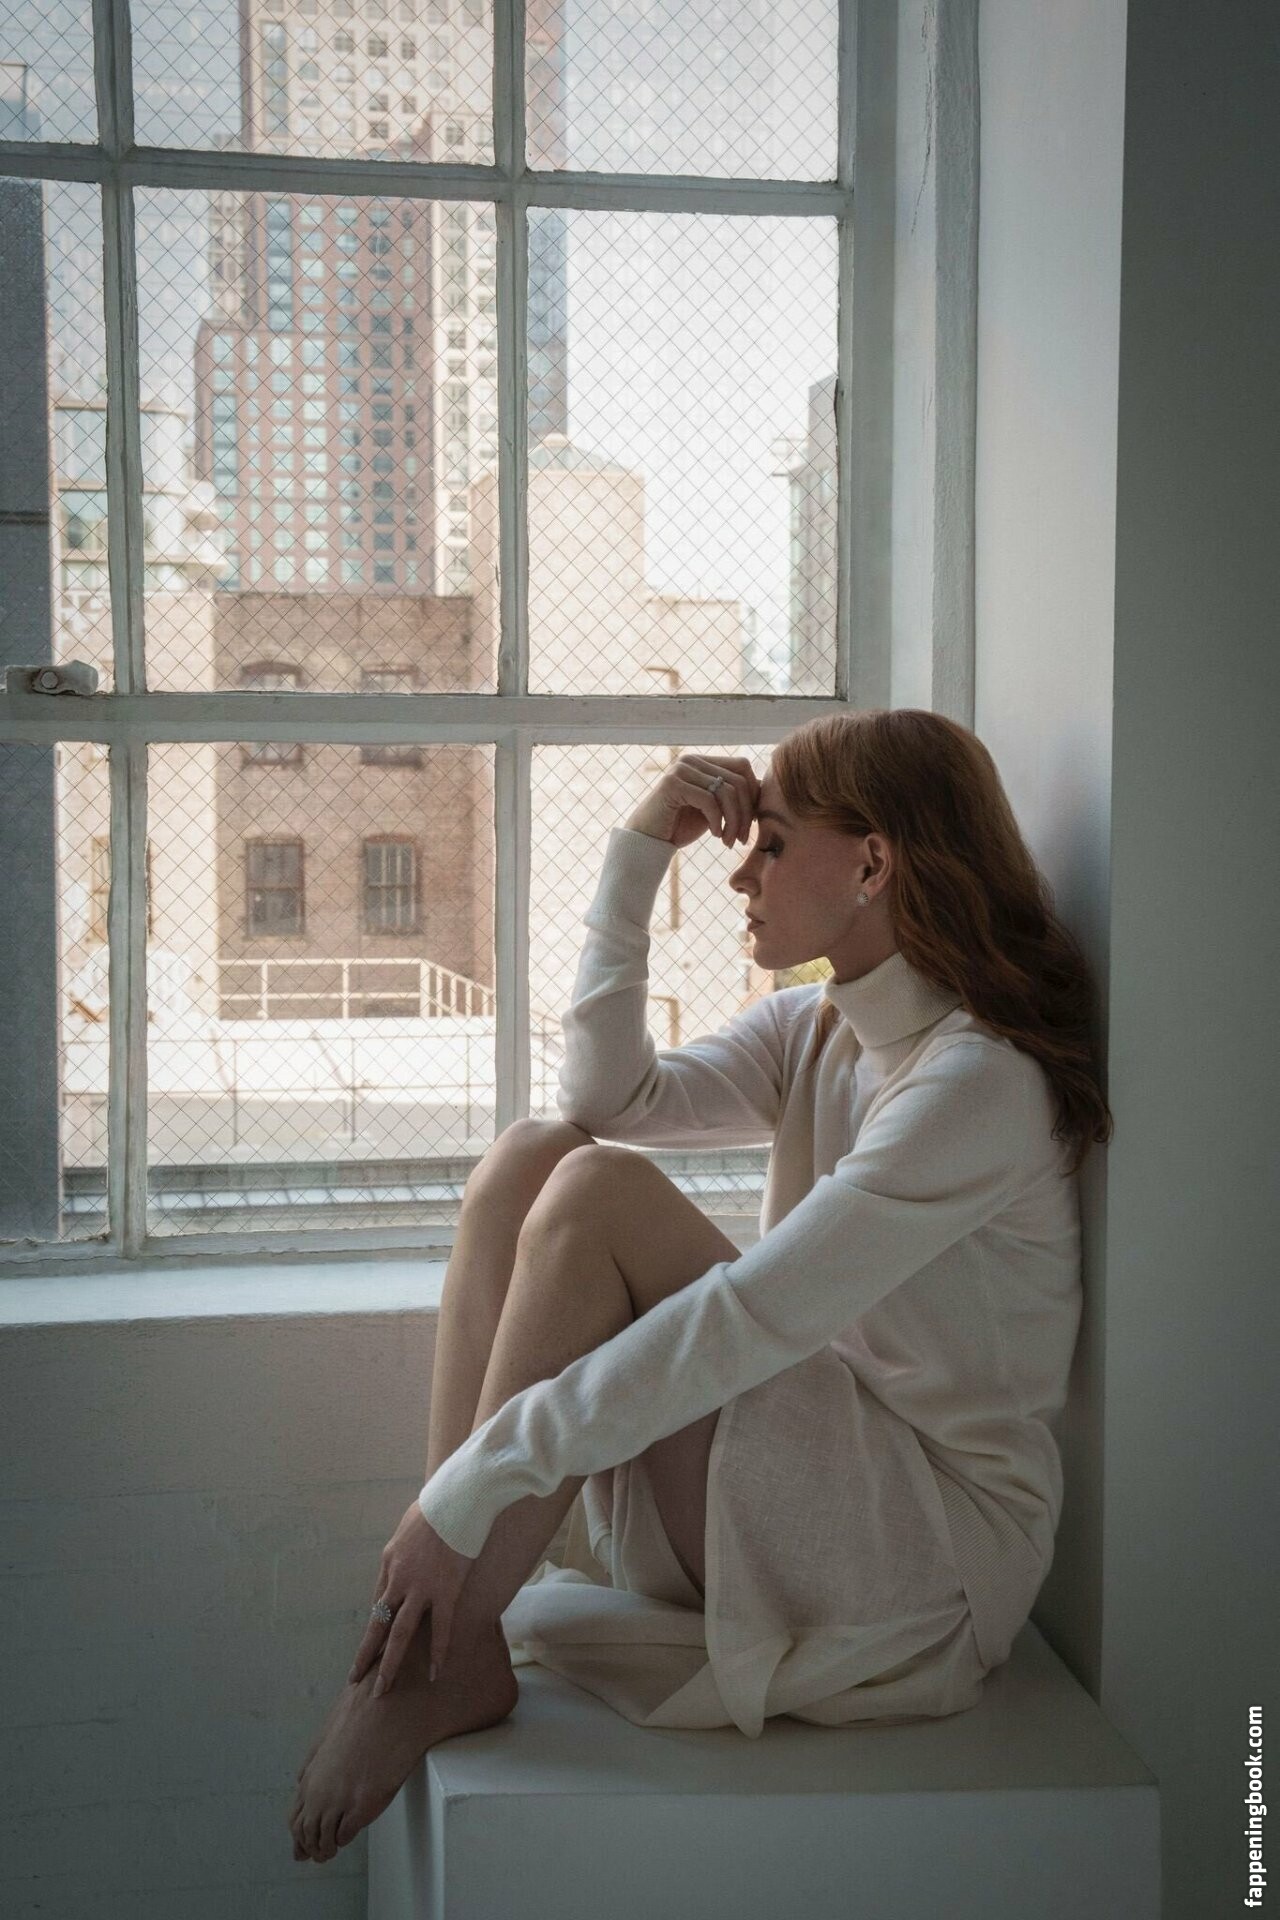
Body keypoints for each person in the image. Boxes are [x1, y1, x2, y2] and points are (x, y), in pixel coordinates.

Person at [289, 708, 1112, 1865]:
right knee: (536, 1154)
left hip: (927, 1558)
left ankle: (435, 1628)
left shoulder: (975, 1083)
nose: (739, 874)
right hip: (812, 1478)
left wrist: (471, 1488)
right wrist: (638, 851)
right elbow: (603, 1099)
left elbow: (757, 1315)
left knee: (598, 1194)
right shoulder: (823, 1028)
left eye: (771, 845)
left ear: (872, 864)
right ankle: (437, 1638)